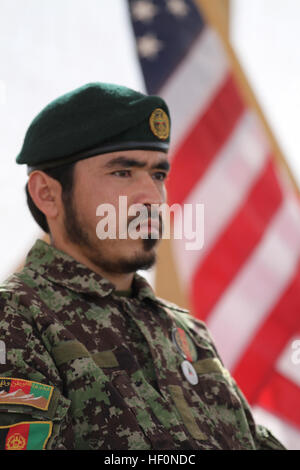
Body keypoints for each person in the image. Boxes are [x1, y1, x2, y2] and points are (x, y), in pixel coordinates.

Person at [0, 83, 286, 450]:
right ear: (47, 194)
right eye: (122, 173)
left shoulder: (187, 334)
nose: (152, 197)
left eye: (158, 175)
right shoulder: (17, 316)